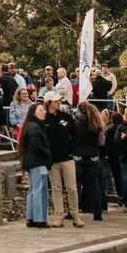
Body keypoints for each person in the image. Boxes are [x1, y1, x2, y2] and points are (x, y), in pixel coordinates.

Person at [40, 91, 82, 228]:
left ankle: (75, 214)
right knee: (56, 189)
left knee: (72, 188)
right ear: (48, 103)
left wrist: (72, 150)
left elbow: (76, 135)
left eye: (59, 100)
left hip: (67, 158)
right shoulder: (43, 119)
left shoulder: (67, 117)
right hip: (52, 160)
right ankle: (59, 216)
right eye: (55, 101)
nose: (59, 102)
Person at [18, 103, 53, 228]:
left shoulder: (29, 126)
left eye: (44, 109)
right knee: (40, 189)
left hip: (31, 162)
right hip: (38, 162)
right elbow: (37, 146)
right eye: (41, 110)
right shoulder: (35, 128)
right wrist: (48, 155)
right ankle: (40, 218)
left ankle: (31, 217)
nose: (44, 111)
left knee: (33, 189)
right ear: (34, 113)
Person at [74, 101, 105, 221]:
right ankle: (98, 212)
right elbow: (101, 142)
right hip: (93, 155)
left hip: (78, 154)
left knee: (76, 186)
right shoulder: (96, 123)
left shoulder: (75, 122)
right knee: (94, 185)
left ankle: (74, 211)